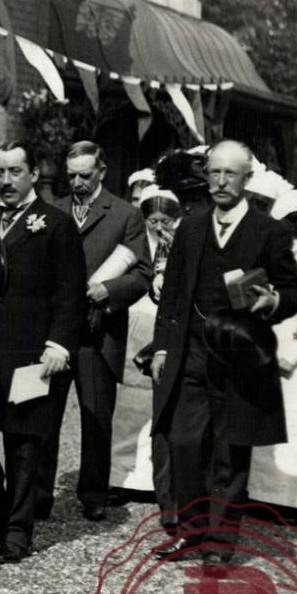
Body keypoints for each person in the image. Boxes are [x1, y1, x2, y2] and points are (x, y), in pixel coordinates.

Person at [149, 140, 297, 566]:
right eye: (214, 172)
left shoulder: (269, 231)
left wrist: (272, 301)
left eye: (229, 174)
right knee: (182, 442)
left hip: (240, 355)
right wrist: (162, 347)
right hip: (192, 350)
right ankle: (191, 533)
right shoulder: (191, 227)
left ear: (246, 179)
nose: (219, 182)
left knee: (229, 452)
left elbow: (293, 292)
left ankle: (219, 543)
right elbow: (172, 294)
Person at [0, 143, 86, 563]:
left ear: (33, 174)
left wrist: (58, 345)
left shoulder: (56, 224)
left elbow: (70, 292)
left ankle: (17, 531)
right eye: (0, 172)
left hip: (30, 356)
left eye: (15, 171)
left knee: (23, 445)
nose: (6, 180)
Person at [39, 141, 151, 521]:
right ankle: (38, 494)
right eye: (71, 176)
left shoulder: (125, 214)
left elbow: (143, 273)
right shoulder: (53, 210)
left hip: (98, 333)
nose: (77, 183)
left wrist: (109, 291)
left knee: (97, 417)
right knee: (44, 414)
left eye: (85, 176)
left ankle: (93, 493)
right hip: (56, 333)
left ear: (102, 171)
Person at [248, 189, 297, 521]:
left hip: (295, 360)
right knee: (271, 428)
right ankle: (267, 495)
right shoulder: (282, 256)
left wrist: (288, 358)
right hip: (271, 351)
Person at [108, 185, 182, 528]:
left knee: (160, 408)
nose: (158, 226)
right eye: (153, 220)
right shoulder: (135, 246)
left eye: (165, 220)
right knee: (128, 407)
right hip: (135, 321)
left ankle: (158, 481)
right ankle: (121, 477)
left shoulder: (180, 245)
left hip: (162, 328)